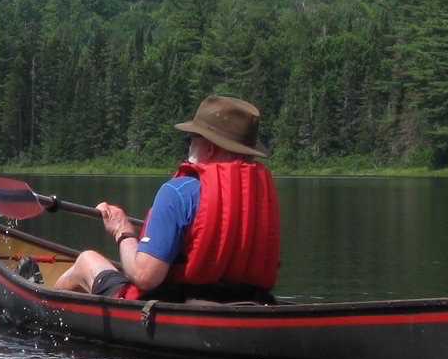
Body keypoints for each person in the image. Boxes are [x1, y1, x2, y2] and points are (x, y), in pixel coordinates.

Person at [53, 95, 279, 302]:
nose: (189, 144)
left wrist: (122, 231)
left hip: (174, 303)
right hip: (248, 303)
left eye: (191, 138)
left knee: (86, 260)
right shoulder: (260, 198)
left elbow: (145, 276)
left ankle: (44, 311)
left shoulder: (178, 192)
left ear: (209, 148)